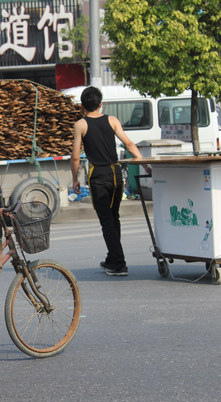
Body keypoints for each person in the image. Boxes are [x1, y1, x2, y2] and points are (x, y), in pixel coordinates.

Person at [71, 86, 148, 277]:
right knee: (114, 218)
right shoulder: (112, 120)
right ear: (101, 104)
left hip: (99, 176)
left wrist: (74, 179)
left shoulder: (80, 125)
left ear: (82, 106)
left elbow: (75, 157)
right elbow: (129, 144)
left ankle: (119, 263)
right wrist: (145, 164)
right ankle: (113, 258)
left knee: (106, 221)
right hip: (116, 174)